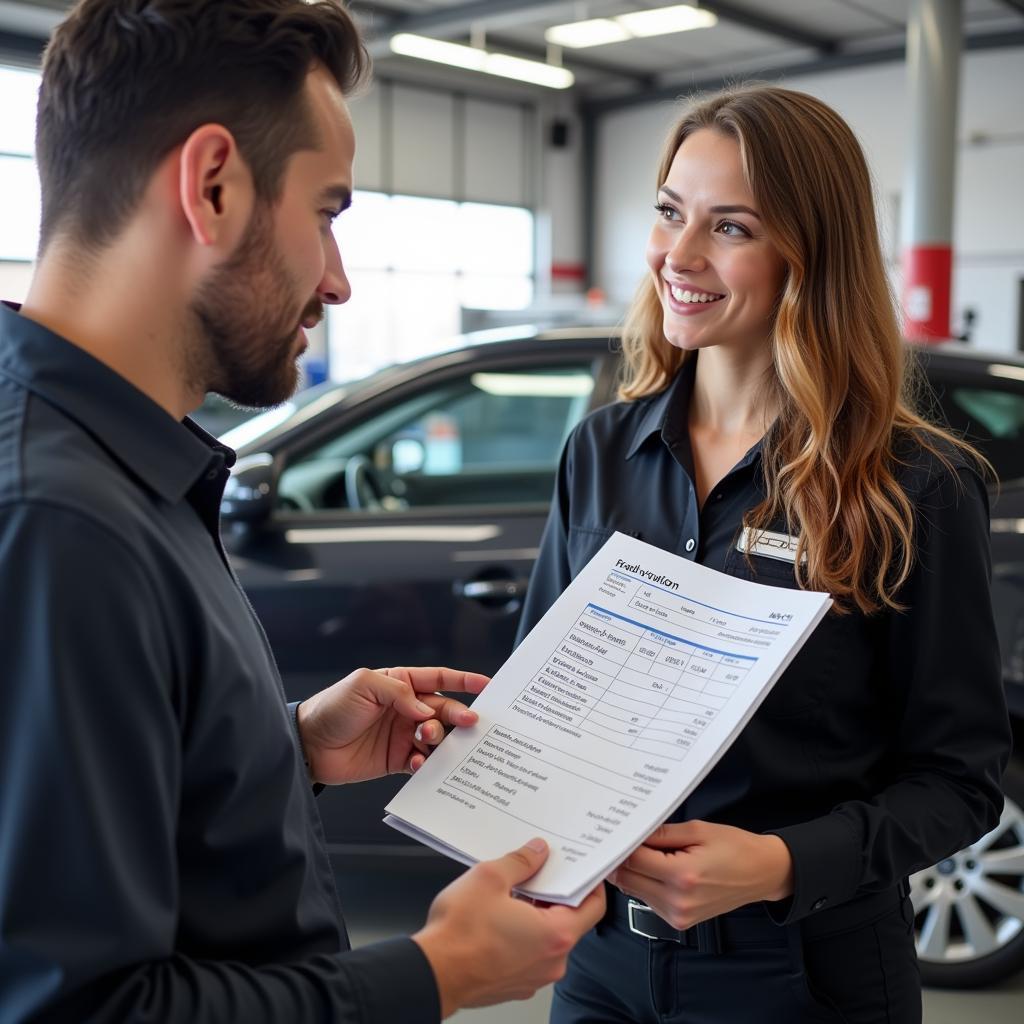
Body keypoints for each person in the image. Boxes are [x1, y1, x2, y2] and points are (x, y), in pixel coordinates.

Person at [0, 1, 605, 1021]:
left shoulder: (110, 466)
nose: (339, 280)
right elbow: (81, 1009)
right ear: (214, 185)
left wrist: (287, 748)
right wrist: (438, 971)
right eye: (327, 212)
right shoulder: (62, 522)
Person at [515, 85, 1012, 1023]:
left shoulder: (916, 487)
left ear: (807, 255)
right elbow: (543, 703)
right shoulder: (599, 452)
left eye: (730, 226)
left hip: (802, 975)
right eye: (670, 212)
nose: (680, 255)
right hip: (599, 967)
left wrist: (784, 864)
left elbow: (960, 781)